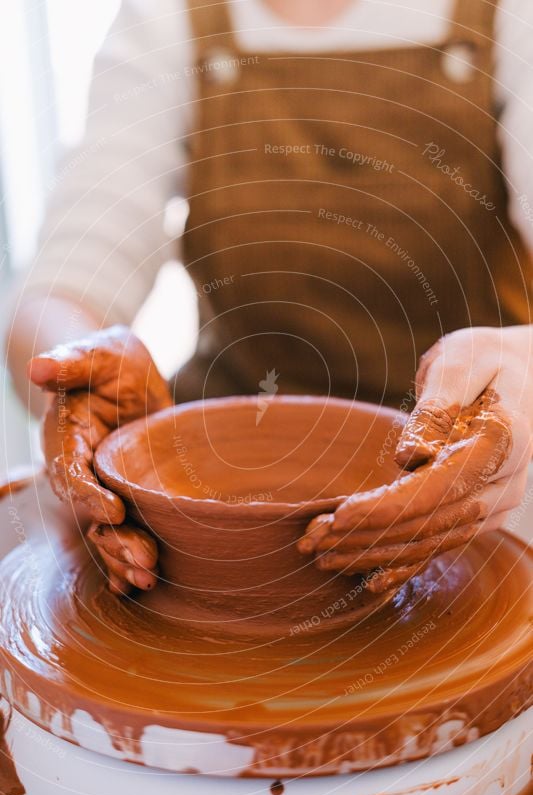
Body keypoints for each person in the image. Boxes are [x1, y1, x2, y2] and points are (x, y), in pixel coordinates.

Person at [7, 0, 533, 594]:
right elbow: (61, 289)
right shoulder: (164, 19)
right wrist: (77, 368)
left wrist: (525, 366)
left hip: (470, 468)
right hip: (214, 471)